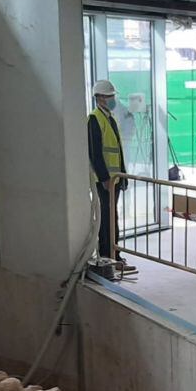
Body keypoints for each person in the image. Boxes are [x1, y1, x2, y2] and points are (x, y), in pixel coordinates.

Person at [88, 79, 127, 258]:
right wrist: (104, 178)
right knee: (106, 218)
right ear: (100, 98)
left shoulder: (109, 118)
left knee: (113, 216)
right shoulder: (94, 119)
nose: (112, 99)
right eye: (109, 96)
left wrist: (123, 176)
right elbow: (95, 153)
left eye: (112, 96)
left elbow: (117, 150)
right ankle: (106, 255)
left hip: (115, 178)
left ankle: (114, 253)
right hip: (104, 180)